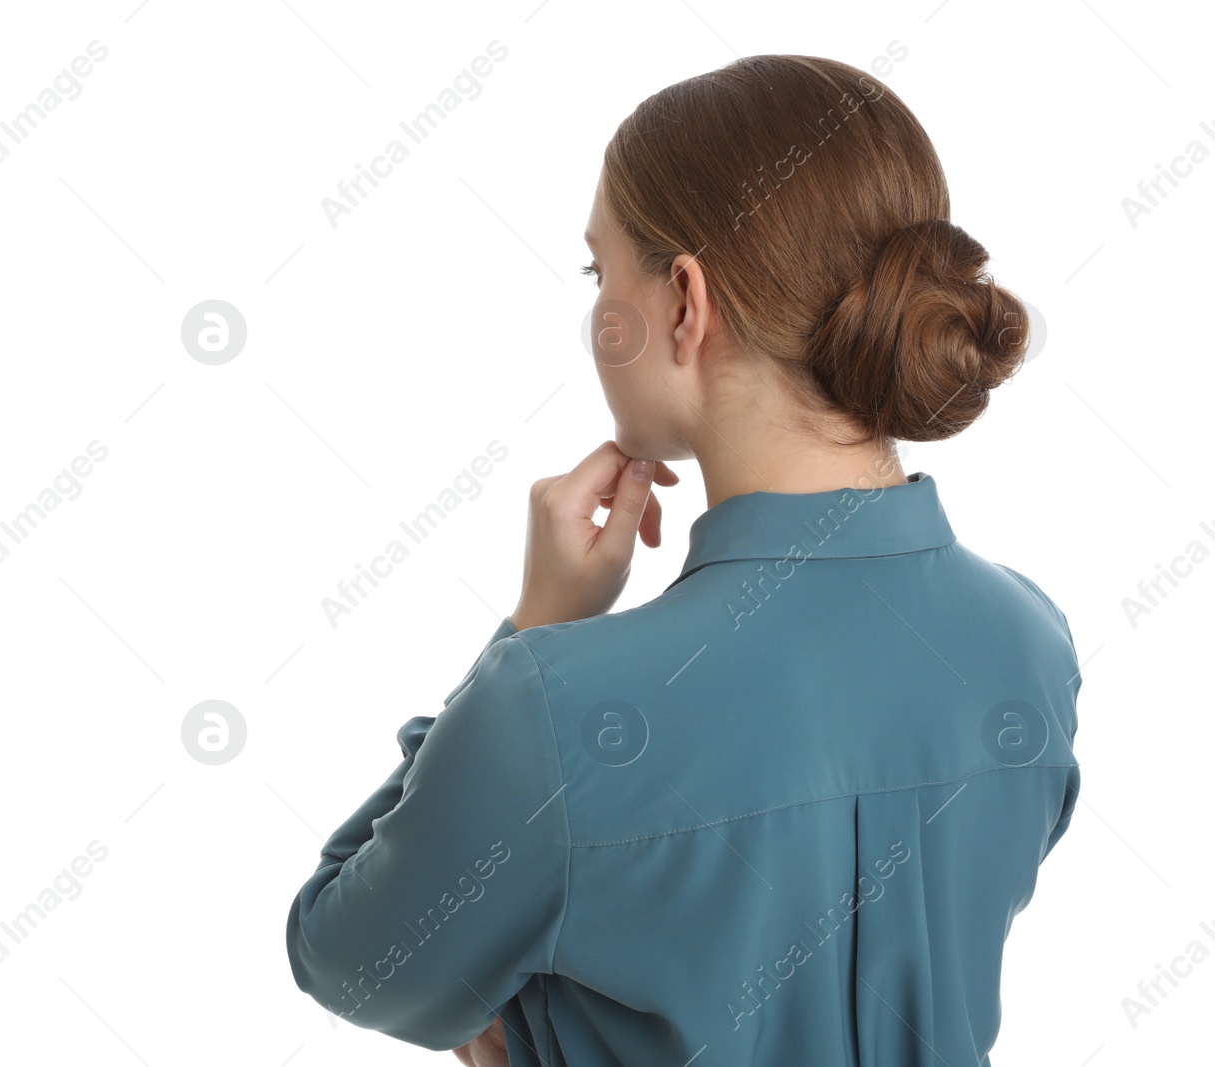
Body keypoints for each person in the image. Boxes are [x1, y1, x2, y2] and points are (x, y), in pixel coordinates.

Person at [284, 53, 1080, 1066]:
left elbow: (344, 954)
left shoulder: (557, 704)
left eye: (597, 269)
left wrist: (538, 624)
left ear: (682, 304)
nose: (591, 310)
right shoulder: (1027, 639)